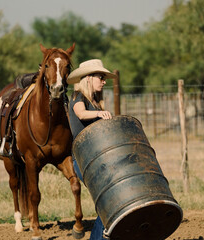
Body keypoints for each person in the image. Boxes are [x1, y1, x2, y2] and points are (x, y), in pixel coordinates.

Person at [67, 59, 116, 240]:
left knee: (110, 200)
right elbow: (80, 113)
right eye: (100, 77)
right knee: (108, 201)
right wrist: (99, 113)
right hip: (84, 161)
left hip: (96, 159)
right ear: (88, 78)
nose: (104, 81)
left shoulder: (94, 102)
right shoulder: (77, 97)